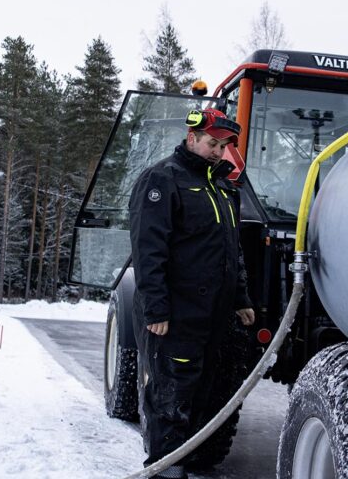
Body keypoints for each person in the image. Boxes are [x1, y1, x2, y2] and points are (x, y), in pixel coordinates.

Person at [129, 108, 255, 479]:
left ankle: (193, 463)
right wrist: (156, 311)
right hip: (176, 315)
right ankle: (165, 469)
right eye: (211, 144)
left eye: (223, 146)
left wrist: (242, 299)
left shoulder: (222, 188)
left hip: (212, 314)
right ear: (192, 138)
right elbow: (148, 252)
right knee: (171, 395)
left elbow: (232, 252)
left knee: (204, 391)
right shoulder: (162, 180)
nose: (218, 151)